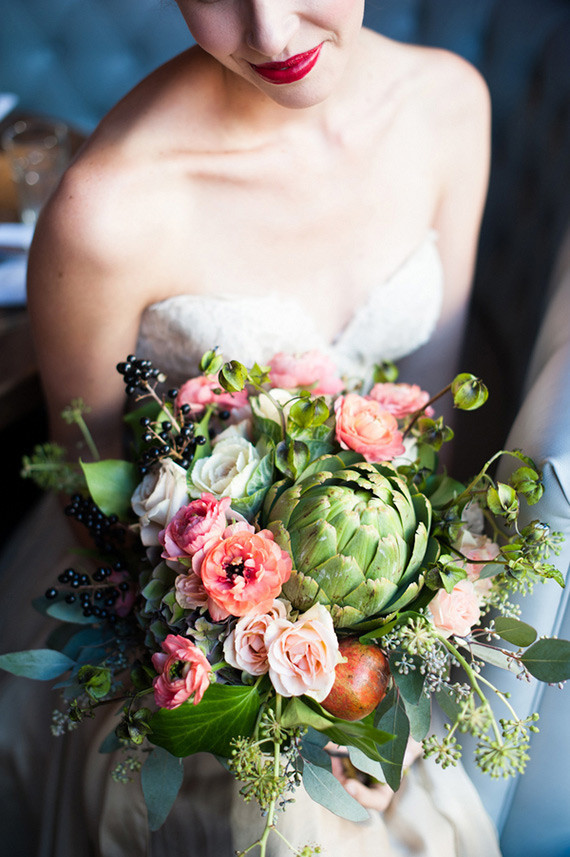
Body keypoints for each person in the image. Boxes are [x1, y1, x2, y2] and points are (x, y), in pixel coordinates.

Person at [0, 1, 500, 854]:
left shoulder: (451, 107)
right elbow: (88, 503)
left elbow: (429, 423)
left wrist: (382, 650)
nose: (271, 34)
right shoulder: (104, 210)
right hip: (161, 609)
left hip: (377, 589)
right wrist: (263, 678)